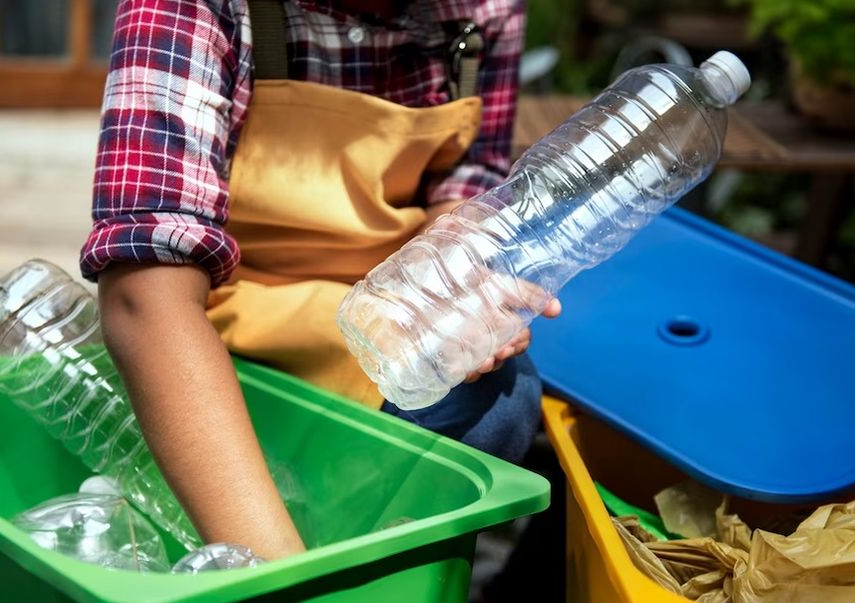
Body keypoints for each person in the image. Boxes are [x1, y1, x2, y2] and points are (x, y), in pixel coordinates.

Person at [80, 0, 559, 560]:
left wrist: (455, 287)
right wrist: (278, 576)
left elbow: (464, 182)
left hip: (379, 315)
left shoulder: (485, 11)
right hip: (222, 326)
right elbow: (145, 295)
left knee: (500, 398)